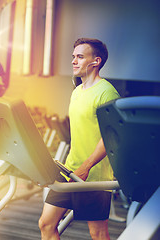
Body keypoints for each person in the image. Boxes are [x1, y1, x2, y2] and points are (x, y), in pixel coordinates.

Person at [39, 38, 120, 240]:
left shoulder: (107, 92)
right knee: (46, 224)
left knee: (97, 233)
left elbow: (110, 136)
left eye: (80, 57)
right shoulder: (76, 92)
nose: (74, 61)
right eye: (73, 57)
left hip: (94, 176)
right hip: (70, 170)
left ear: (96, 61)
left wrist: (86, 166)